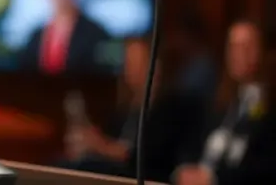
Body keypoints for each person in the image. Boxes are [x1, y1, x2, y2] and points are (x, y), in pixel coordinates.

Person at [59, 37, 202, 182]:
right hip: (111, 173)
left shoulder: (173, 108)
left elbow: (146, 158)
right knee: (63, 166)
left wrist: (101, 146)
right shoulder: (125, 110)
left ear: (155, 65)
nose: (130, 70)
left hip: (143, 177)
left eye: (137, 63)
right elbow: (106, 139)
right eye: (128, 64)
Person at [174, 20, 276, 185]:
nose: (239, 54)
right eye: (233, 46)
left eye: (247, 46)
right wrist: (185, 168)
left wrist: (215, 178)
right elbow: (192, 144)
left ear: (263, 50)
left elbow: (266, 168)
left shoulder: (271, 106)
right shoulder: (218, 100)